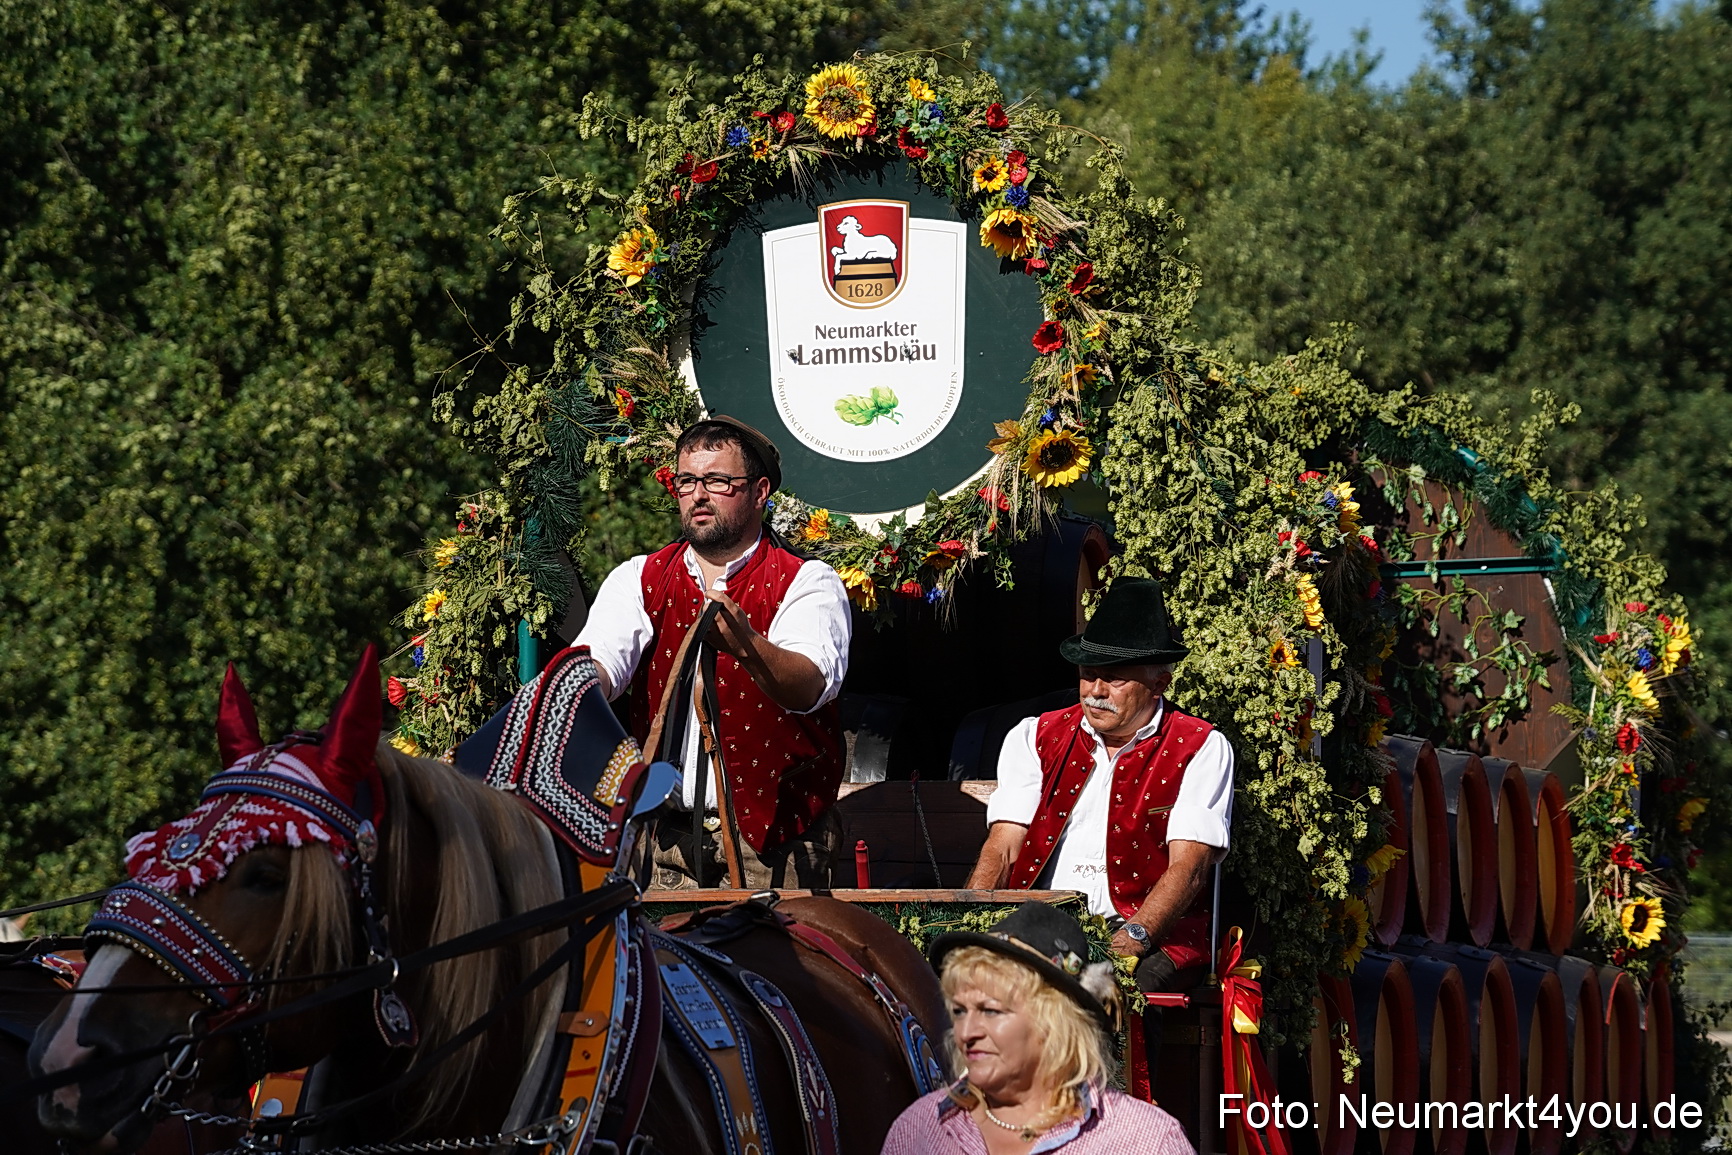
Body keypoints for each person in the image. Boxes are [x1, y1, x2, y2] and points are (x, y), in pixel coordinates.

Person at [572, 416, 851, 888]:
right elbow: (601, 663)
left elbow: (809, 686)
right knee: (657, 962)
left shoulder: (807, 581)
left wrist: (749, 645)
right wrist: (578, 682)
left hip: (777, 843)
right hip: (667, 842)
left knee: (773, 965)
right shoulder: (638, 579)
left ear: (760, 491)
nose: (698, 494)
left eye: (717, 480)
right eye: (687, 481)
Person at [964, 578, 1233, 993]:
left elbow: (1190, 866)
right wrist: (972, 918)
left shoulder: (1200, 748)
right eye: (1088, 675)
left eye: (1114, 679)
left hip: (1148, 932)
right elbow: (1003, 845)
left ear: (1159, 684)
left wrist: (1131, 940)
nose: (1095, 692)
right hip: (1043, 922)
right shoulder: (1034, 735)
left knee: (1111, 991)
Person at [880, 902, 1194, 1154]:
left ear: (1055, 1022)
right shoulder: (919, 1129)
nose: (967, 1033)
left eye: (991, 1011)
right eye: (960, 1011)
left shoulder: (1145, 1142)